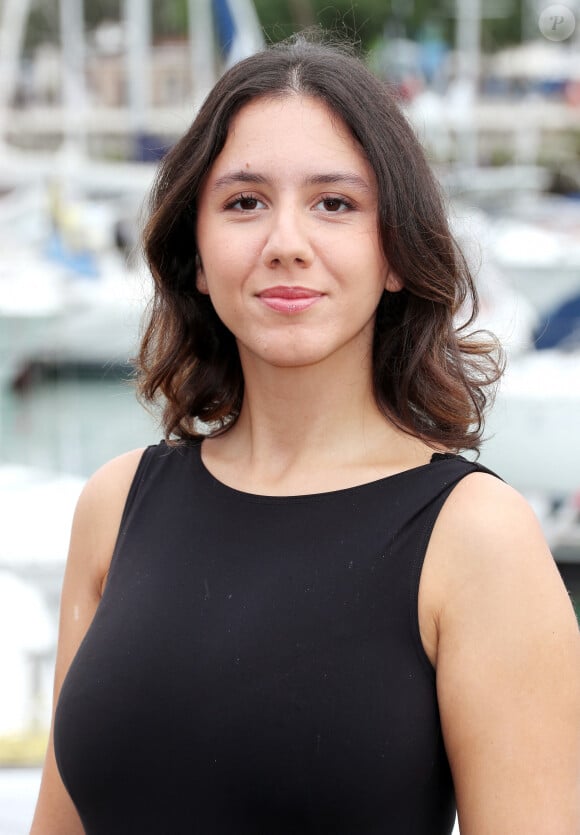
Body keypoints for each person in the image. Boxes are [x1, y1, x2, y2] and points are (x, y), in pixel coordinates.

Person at [31, 34, 580, 835]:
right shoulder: (115, 507)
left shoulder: (475, 539)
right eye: (245, 202)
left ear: (394, 252)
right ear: (194, 252)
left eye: (335, 203)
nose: (286, 242)